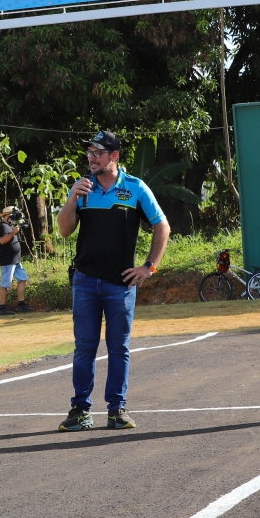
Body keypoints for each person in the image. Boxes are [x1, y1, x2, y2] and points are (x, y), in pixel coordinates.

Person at [56, 131, 169, 432]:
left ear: (114, 156)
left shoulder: (135, 188)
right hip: (84, 281)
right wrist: (72, 198)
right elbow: (64, 230)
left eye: (98, 153)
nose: (91, 158)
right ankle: (80, 410)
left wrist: (149, 267)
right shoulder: (82, 187)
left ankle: (117, 410)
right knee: (84, 348)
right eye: (89, 153)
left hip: (121, 285)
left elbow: (162, 227)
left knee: (118, 348)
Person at [0, 206, 32, 315]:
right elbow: (2, 240)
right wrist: (13, 233)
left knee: (23, 278)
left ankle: (21, 304)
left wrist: (17, 229)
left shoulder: (10, 226)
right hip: (7, 260)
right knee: (5, 283)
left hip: (15, 260)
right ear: (8, 216)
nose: (15, 218)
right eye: (14, 216)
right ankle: (2, 308)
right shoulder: (2, 227)